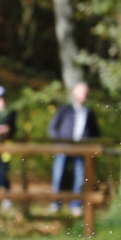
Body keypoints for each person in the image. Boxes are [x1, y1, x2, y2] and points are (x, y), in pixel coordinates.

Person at [48, 81, 101, 216]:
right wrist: (59, 142)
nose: (84, 95)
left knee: (80, 177)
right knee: (58, 175)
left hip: (81, 150)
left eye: (85, 93)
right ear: (74, 94)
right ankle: (56, 203)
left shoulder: (88, 113)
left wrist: (89, 144)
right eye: (81, 92)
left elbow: (96, 133)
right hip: (63, 148)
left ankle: (76, 205)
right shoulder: (65, 110)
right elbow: (53, 128)